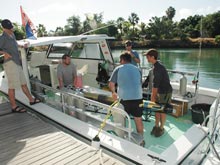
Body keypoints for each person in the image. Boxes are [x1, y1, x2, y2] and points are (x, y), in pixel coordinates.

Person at [0, 19, 40, 113]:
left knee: (23, 83)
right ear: (4, 28)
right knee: (12, 86)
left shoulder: (12, 35)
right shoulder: (2, 38)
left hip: (17, 62)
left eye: (11, 28)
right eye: (9, 28)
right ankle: (14, 107)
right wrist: (4, 53)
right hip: (10, 63)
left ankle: (31, 100)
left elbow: (15, 43)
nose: (11, 29)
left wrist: (22, 45)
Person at [108, 52, 144, 140]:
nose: (120, 62)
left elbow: (111, 84)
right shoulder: (138, 69)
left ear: (122, 60)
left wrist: (113, 92)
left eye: (120, 60)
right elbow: (139, 83)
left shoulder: (118, 68)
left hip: (124, 99)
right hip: (138, 98)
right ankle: (141, 138)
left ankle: (122, 137)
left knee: (122, 118)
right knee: (138, 119)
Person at [143, 49, 172, 137]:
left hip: (165, 92)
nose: (146, 58)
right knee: (157, 109)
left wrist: (152, 99)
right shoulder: (155, 66)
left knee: (162, 110)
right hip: (159, 91)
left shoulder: (158, 69)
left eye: (147, 57)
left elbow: (155, 87)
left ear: (152, 57)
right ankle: (156, 126)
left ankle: (161, 127)